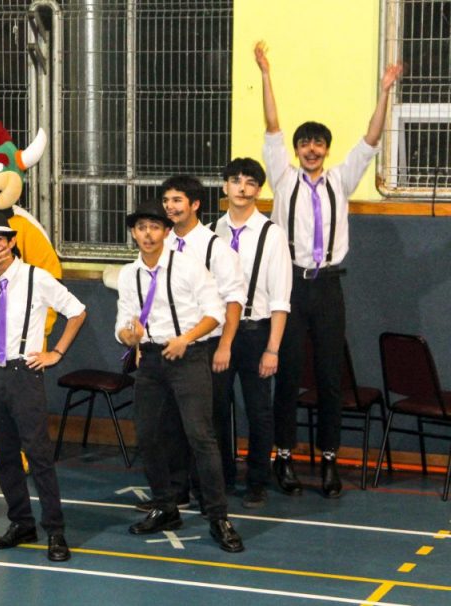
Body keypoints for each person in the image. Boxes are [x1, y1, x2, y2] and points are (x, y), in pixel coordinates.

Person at [255, 41, 402, 498]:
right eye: (305, 143)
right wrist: (265, 74)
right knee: (287, 373)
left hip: (329, 287)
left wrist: (385, 92)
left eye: (318, 143)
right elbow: (273, 126)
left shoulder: (341, 178)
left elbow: (371, 139)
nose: (311, 149)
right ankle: (283, 457)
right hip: (290, 288)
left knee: (330, 377)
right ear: (297, 150)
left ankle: (330, 461)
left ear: (326, 149)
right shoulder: (283, 178)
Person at [0, 212, 85, 563]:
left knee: (38, 454)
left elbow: (77, 311)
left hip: (23, 373)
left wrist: (56, 353)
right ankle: (21, 522)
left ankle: (55, 530)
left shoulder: (35, 277)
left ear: (12, 241)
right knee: (4, 454)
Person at [116, 199, 243, 553]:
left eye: (155, 227)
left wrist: (185, 339)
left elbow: (215, 313)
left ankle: (218, 517)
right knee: (148, 435)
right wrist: (130, 336)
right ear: (133, 233)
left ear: (166, 232)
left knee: (200, 436)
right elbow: (123, 323)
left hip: (188, 357)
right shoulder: (129, 274)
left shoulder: (188, 266)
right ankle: (165, 506)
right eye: (141, 228)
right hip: (151, 360)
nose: (148, 234)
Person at [151, 175, 245, 511]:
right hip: (167, 347)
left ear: (195, 204)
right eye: (166, 201)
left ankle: (210, 497)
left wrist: (226, 345)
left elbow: (234, 300)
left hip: (205, 348)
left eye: (177, 200)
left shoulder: (215, 247)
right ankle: (176, 491)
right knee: (170, 423)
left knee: (204, 426)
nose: (170, 207)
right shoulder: (160, 244)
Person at [214, 158, 292, 508]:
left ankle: (258, 481)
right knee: (216, 407)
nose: (242, 188)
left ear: (259, 190)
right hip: (219, 334)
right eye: (235, 180)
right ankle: (223, 476)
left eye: (249, 182)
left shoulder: (272, 234)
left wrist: (272, 348)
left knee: (258, 410)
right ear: (225, 186)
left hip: (255, 332)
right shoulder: (213, 231)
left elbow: (280, 297)